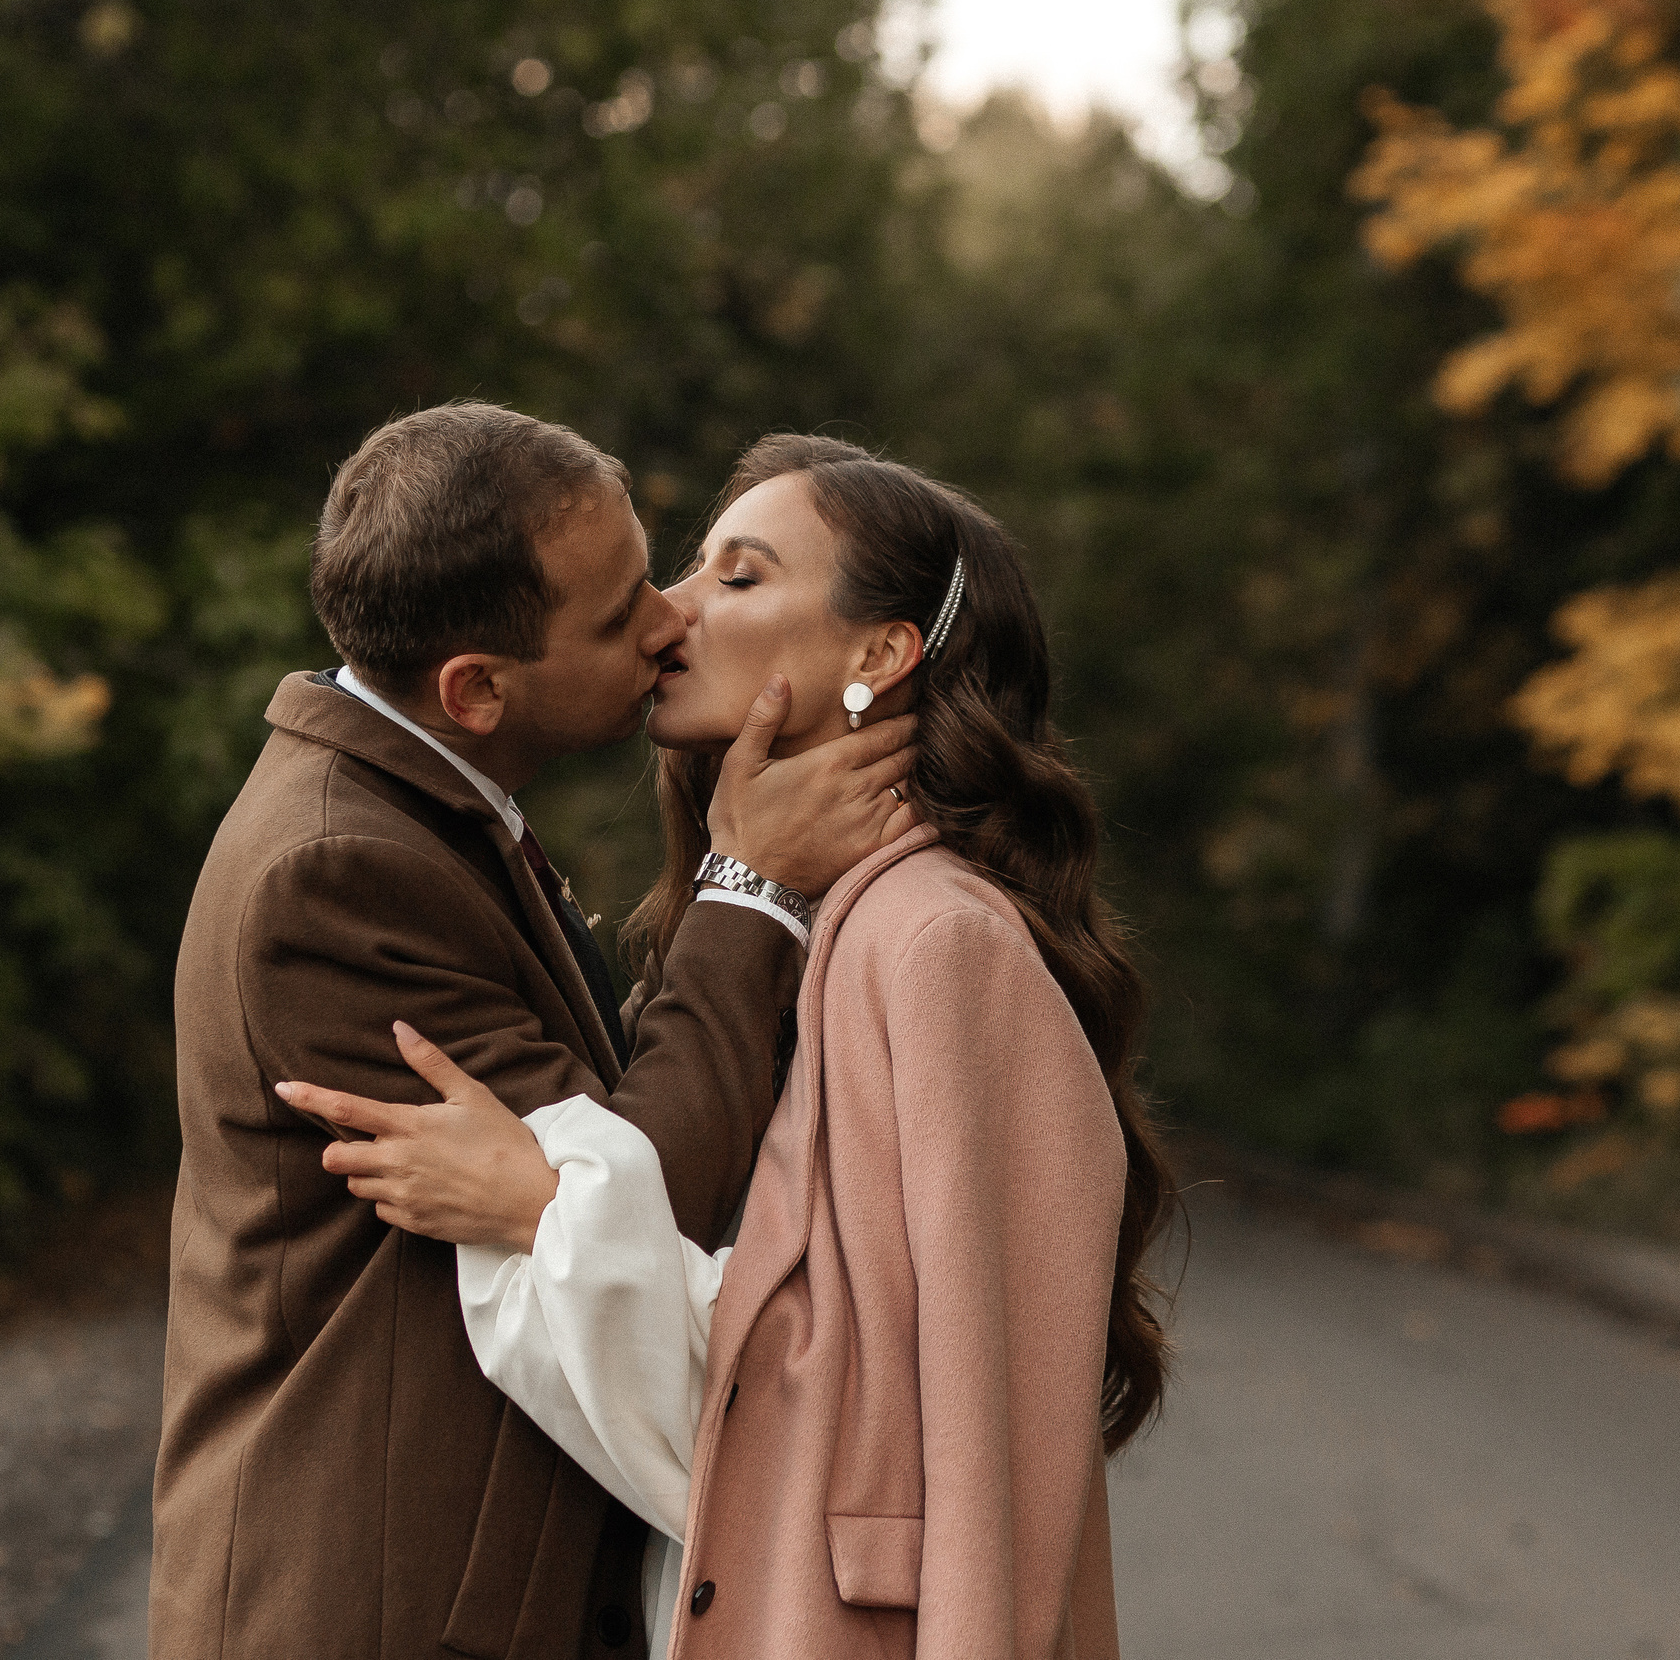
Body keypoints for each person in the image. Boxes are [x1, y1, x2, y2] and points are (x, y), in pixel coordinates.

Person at [283, 435, 1174, 1660]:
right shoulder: (817, 923)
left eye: (738, 576)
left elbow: (943, 1415)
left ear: (878, 654)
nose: (667, 614)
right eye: (692, 567)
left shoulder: (935, 944)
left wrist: (548, 1204)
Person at [151, 405, 919, 1660]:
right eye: (621, 615)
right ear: (475, 689)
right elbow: (642, 1184)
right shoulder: (336, 869)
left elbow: (578, 1136)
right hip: (382, 1604)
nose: (671, 620)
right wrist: (751, 885)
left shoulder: (420, 804)